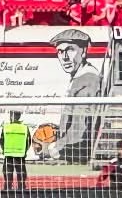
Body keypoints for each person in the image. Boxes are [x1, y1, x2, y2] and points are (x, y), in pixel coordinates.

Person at [47, 29, 101, 162]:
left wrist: (57, 146)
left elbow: (80, 128)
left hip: (78, 149)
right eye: (60, 51)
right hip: (75, 147)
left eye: (70, 50)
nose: (64, 57)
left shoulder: (87, 80)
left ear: (83, 52)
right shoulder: (79, 77)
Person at [2, 111, 31, 195]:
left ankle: (7, 187)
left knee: (8, 171)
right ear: (19, 116)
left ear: (11, 116)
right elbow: (28, 141)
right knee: (21, 171)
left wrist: (4, 149)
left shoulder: (6, 127)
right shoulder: (24, 127)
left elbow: (2, 140)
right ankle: (21, 187)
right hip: (20, 153)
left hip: (8, 152)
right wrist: (25, 150)